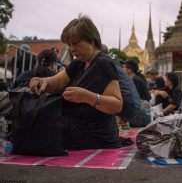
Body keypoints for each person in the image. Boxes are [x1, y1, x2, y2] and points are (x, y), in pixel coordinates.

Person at [29, 15, 124, 150]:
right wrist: (42, 81)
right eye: (69, 45)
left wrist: (87, 96)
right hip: (76, 126)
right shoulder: (79, 63)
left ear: (91, 40)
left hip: (93, 133)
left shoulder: (104, 64)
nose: (72, 48)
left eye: (76, 43)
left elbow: (116, 105)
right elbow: (57, 81)